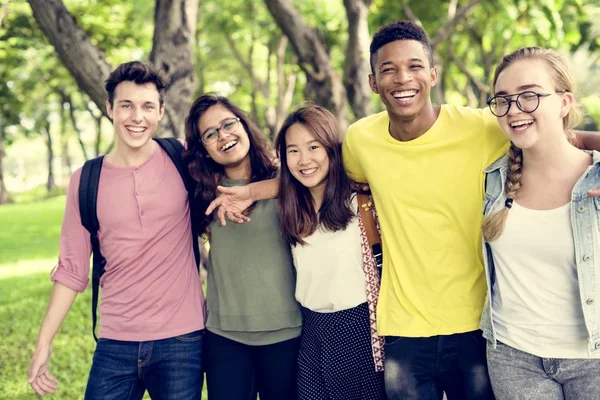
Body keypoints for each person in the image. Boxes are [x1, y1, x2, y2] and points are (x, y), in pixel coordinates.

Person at [205, 20, 600, 400]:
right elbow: (315, 173)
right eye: (388, 69)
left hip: (479, 327)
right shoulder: (362, 140)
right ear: (374, 82)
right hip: (403, 331)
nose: (402, 78)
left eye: (414, 66)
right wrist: (253, 191)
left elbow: (560, 133)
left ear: (432, 74)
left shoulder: (480, 127)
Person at [27, 61, 205, 399]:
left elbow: (244, 172)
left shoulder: (182, 158)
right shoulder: (86, 181)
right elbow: (71, 269)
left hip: (182, 341)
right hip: (115, 342)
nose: (137, 117)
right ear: (110, 108)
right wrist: (43, 343)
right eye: (126, 105)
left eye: (147, 106)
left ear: (160, 111)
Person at [479, 47, 600, 400]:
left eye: (529, 96)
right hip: (513, 357)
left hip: (592, 359)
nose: (515, 109)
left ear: (564, 103)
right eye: (503, 100)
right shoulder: (494, 179)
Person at [184, 94, 302, 400]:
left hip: (285, 331)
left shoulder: (286, 177)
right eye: (210, 134)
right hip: (225, 337)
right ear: (204, 149)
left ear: (244, 125)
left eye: (228, 124)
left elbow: (326, 178)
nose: (223, 135)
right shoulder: (202, 192)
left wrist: (253, 192)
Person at [275, 104, 386, 399]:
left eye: (314, 147)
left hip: (358, 328)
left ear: (331, 149)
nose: (304, 159)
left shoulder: (360, 203)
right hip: (312, 330)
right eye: (293, 150)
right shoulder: (293, 209)